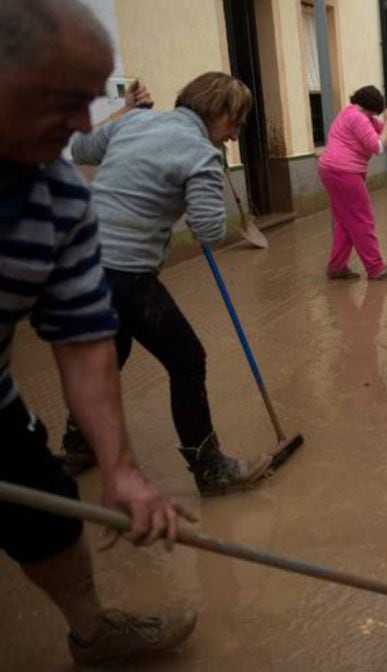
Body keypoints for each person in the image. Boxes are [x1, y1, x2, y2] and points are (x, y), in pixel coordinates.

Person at [0, 0, 196, 666]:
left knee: (50, 517)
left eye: (95, 99)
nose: (87, 125)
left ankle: (91, 630)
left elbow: (84, 342)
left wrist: (120, 469)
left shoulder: (60, 202)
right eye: (69, 99)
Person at [63, 72, 272, 496]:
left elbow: (80, 148)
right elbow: (209, 229)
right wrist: (203, 191)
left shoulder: (135, 122)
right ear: (219, 114)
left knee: (109, 355)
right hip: (124, 274)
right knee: (187, 359)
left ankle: (79, 444)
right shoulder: (200, 153)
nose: (233, 137)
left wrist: (127, 110)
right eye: (235, 125)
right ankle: (210, 469)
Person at [317, 85, 387, 281]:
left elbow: (384, 133)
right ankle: (376, 268)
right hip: (344, 172)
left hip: (332, 170)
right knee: (362, 218)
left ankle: (337, 267)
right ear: (371, 107)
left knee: (345, 220)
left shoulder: (355, 114)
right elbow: (378, 147)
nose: (376, 116)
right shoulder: (358, 118)